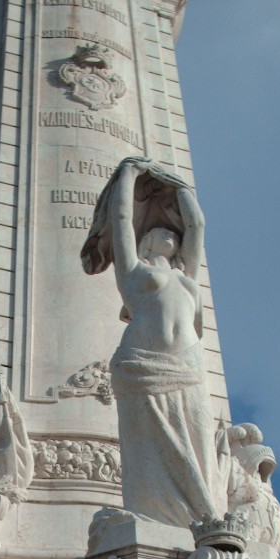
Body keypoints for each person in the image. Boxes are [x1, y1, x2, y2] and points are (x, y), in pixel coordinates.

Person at [83, 157, 219, 528]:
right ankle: (154, 519)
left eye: (170, 231)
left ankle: (204, 516)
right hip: (143, 364)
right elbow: (123, 218)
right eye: (158, 229)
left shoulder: (187, 275)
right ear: (143, 243)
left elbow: (197, 224)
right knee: (149, 448)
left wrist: (181, 189)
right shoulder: (134, 273)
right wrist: (128, 174)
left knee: (199, 439)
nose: (167, 231)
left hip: (187, 366)